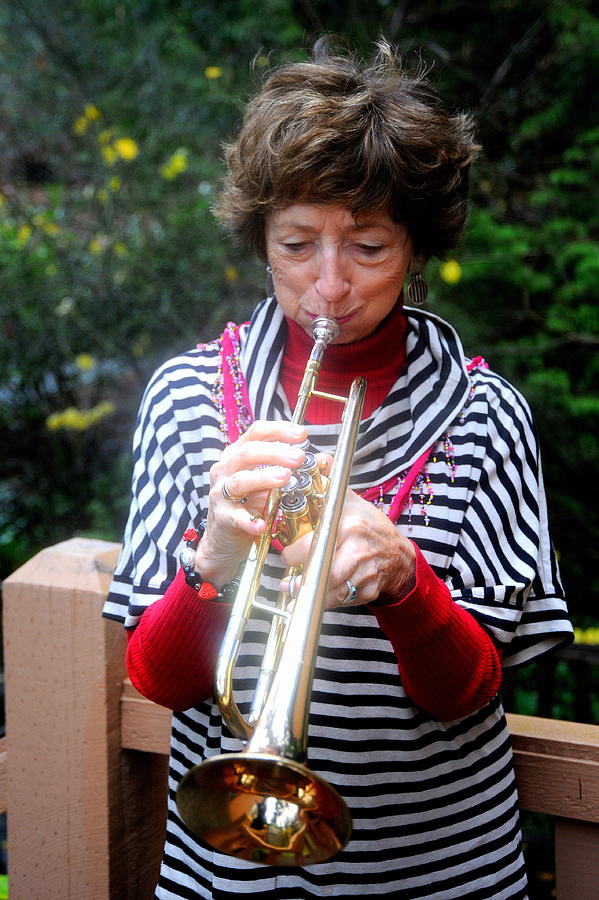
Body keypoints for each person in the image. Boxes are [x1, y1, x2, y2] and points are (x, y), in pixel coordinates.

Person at [103, 37, 572, 899]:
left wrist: (406, 585)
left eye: (365, 247)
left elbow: (470, 691)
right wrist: (209, 561)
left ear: (416, 249)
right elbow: (159, 681)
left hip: (433, 872)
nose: (327, 286)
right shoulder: (184, 398)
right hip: (226, 864)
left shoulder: (483, 415)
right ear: (260, 241)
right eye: (296, 244)